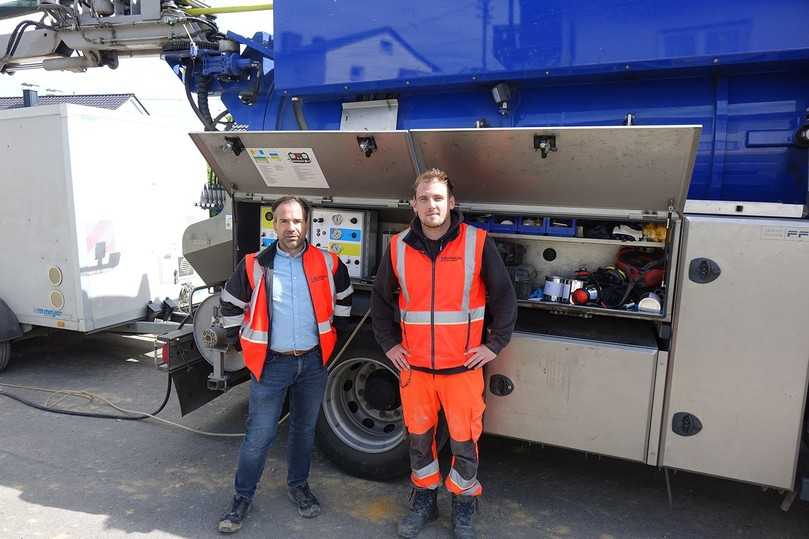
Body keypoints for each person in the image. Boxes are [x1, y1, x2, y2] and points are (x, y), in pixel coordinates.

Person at [372, 169, 517, 539]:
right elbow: (379, 302)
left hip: (462, 369)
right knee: (419, 442)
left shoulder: (477, 243)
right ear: (414, 204)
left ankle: (464, 507)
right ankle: (424, 502)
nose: (431, 205)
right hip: (415, 370)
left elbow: (504, 297)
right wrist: (390, 345)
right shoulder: (398, 246)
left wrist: (494, 344)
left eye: (438, 198)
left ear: (451, 202)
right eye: (424, 198)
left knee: (465, 443)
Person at [216, 195, 353, 534]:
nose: (291, 227)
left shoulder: (328, 263)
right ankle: (241, 498)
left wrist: (332, 338)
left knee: (303, 432)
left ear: (307, 224)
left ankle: (298, 487)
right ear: (273, 224)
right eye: (283, 221)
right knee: (259, 436)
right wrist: (242, 344)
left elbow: (346, 299)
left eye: (297, 221)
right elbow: (230, 305)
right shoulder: (254, 264)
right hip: (271, 366)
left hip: (312, 364)